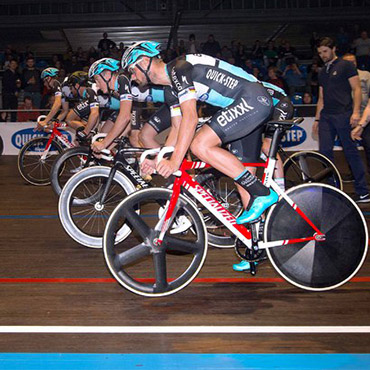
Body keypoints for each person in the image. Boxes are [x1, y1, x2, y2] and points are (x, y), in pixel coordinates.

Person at [122, 40, 279, 225]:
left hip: (251, 99)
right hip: (245, 105)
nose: (132, 77)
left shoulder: (178, 69)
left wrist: (174, 162)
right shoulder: (170, 88)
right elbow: (178, 128)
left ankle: (262, 192)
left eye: (132, 70)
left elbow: (191, 118)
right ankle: (258, 243)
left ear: (143, 62)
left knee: (199, 144)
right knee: (242, 181)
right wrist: (159, 160)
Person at [313, 37, 369, 203]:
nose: (322, 55)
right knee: (324, 154)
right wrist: (317, 119)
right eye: (320, 53)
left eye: (325, 51)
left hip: (344, 114)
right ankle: (331, 189)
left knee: (351, 152)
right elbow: (321, 97)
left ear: (333, 48)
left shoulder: (346, 65)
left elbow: (357, 89)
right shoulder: (323, 71)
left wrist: (356, 112)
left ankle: (363, 191)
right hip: (326, 117)